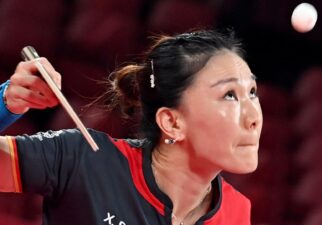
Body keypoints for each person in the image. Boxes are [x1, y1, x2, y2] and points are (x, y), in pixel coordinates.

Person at [0, 30, 263, 225]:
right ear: (172, 122)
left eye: (252, 92)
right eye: (229, 95)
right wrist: (5, 103)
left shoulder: (236, 211)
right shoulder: (82, 158)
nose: (254, 116)